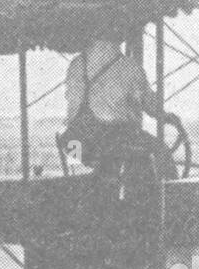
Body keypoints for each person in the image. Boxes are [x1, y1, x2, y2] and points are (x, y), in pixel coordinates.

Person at [62, 38, 183, 182]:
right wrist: (166, 116)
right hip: (115, 138)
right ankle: (169, 198)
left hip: (76, 142)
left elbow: (72, 107)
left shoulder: (77, 64)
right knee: (161, 151)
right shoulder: (129, 67)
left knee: (106, 161)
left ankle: (105, 176)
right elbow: (150, 105)